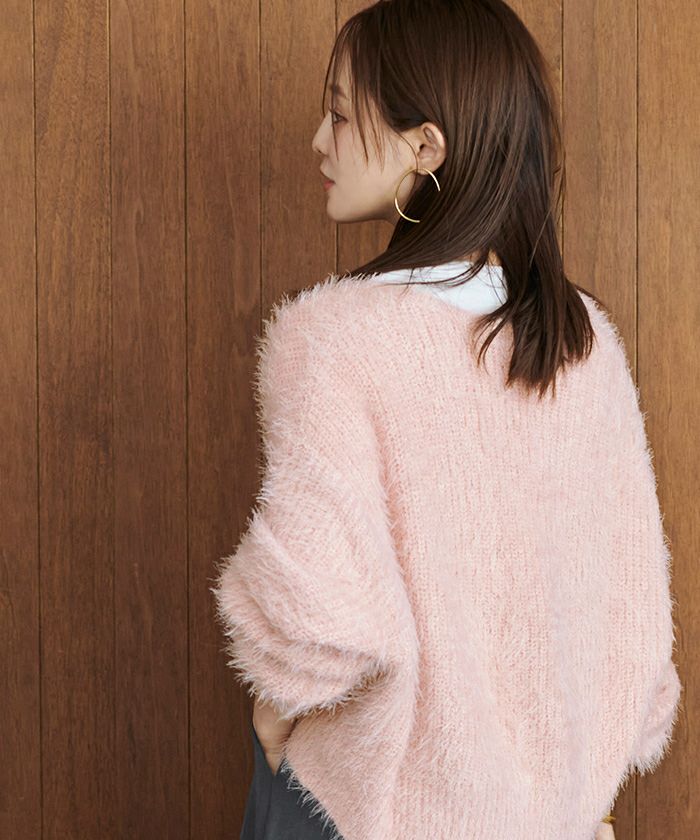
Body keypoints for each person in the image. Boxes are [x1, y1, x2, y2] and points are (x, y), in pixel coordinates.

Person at [211, 2, 682, 839]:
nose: (319, 142)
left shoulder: (334, 338)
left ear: (426, 147)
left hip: (365, 809)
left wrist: (274, 726)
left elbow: (318, 619)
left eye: (340, 115)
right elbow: (632, 622)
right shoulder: (582, 341)